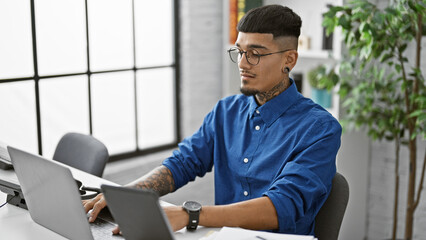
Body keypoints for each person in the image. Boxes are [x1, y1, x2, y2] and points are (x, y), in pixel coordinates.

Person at [83, 4, 342, 236]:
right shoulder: (226, 111)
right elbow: (183, 163)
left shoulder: (320, 129)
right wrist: (128, 195)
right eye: (239, 51)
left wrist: (190, 214)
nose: (242, 63)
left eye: (255, 53)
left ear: (289, 60)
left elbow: (281, 206)